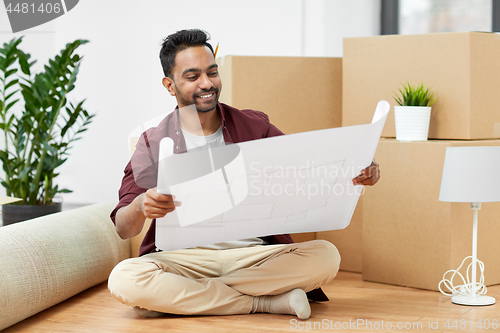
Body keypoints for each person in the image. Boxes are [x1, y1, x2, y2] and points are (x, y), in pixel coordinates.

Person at [108, 29, 380, 320]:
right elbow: (124, 227)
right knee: (124, 278)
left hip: (253, 256)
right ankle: (266, 302)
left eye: (212, 72)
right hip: (184, 259)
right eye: (192, 76)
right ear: (170, 85)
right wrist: (140, 206)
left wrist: (356, 169)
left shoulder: (253, 126)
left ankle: (191, 295)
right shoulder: (151, 142)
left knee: (326, 256)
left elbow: (304, 170)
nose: (207, 83)